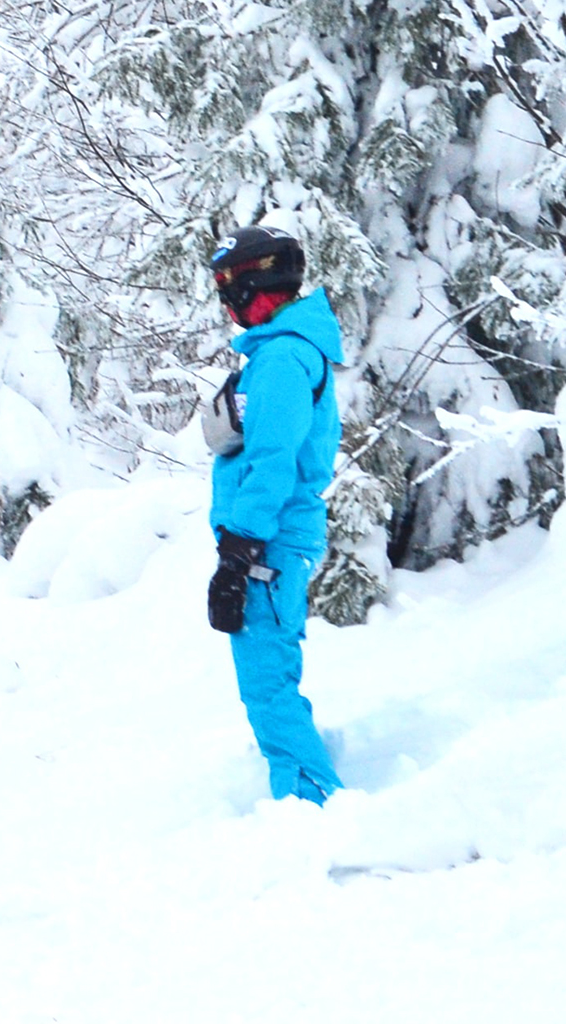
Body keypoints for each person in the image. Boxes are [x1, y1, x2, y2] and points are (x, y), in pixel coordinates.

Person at [204, 224, 344, 806]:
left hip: (267, 545)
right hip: (271, 542)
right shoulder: (279, 353)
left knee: (267, 685)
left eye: (230, 287)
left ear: (257, 285)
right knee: (269, 679)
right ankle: (305, 798)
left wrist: (239, 551)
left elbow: (273, 462)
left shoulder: (283, 357)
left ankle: (312, 804)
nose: (227, 303)